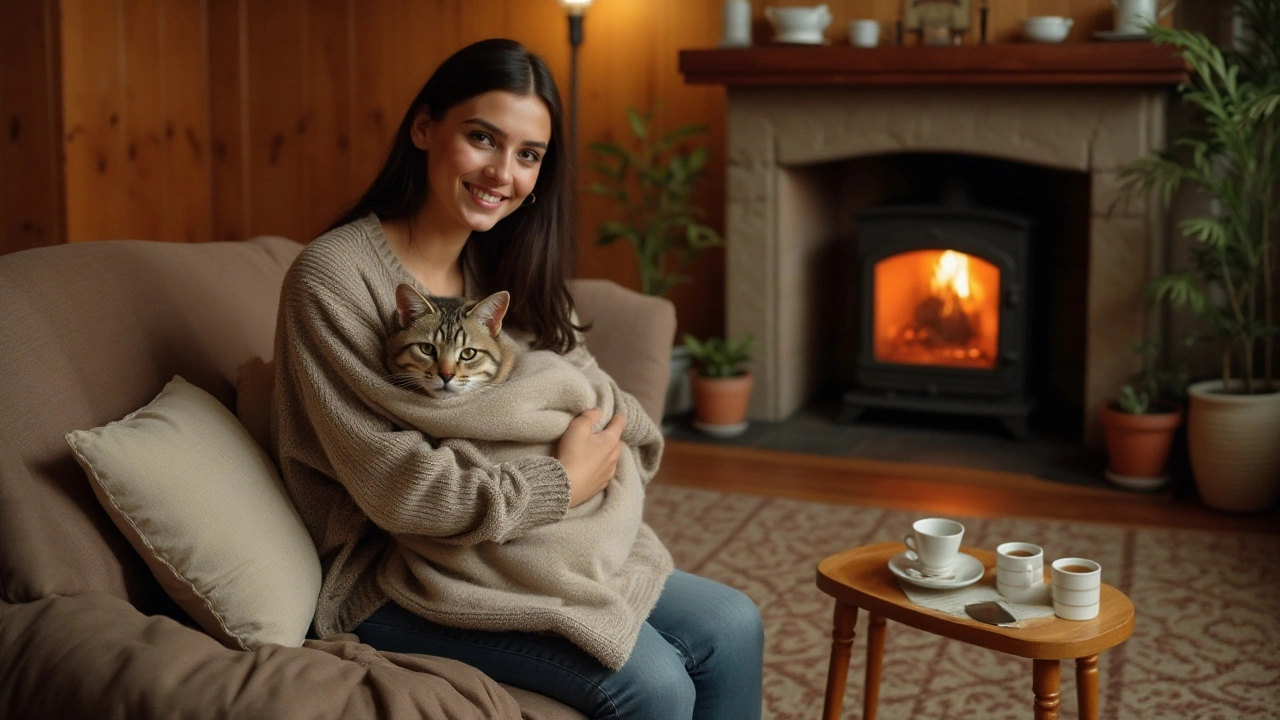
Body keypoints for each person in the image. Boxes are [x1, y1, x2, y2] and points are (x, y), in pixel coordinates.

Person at [271, 38, 763, 720]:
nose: (503, 173)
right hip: (397, 570)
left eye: (528, 155)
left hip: (528, 549)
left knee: (734, 623)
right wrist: (557, 484)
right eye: (482, 138)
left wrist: (586, 463)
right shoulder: (333, 277)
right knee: (654, 684)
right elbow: (393, 485)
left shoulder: (509, 265)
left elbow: (599, 400)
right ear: (423, 128)